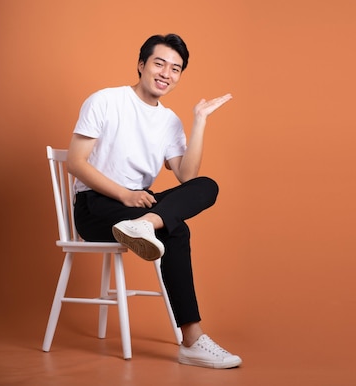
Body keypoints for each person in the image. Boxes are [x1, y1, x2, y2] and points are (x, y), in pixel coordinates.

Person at [66, 33, 241, 369]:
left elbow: (187, 178)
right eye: (159, 63)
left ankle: (146, 225)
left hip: (139, 212)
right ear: (141, 65)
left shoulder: (169, 121)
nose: (166, 73)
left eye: (175, 69)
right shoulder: (105, 101)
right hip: (96, 205)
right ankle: (192, 339)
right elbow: (75, 163)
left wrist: (199, 121)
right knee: (177, 231)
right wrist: (124, 194)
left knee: (207, 186)